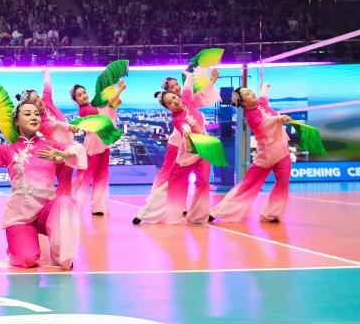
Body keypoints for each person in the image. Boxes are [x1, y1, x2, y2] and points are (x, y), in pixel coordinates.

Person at [0, 101, 86, 269]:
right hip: (20, 217)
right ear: (16, 121)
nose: (34, 117)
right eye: (27, 114)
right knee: (26, 259)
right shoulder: (8, 150)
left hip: (47, 213)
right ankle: (17, 246)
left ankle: (62, 256)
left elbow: (78, 149)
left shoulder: (52, 147)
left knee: (64, 202)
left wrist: (65, 155)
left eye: (36, 114)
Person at [133, 68, 219, 224]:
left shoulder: (186, 99)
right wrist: (187, 131)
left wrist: (202, 78)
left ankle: (198, 214)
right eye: (171, 89)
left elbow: (192, 89)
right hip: (181, 145)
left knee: (203, 180)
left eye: (176, 86)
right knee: (169, 176)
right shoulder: (177, 115)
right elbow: (182, 124)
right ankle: (152, 205)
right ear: (167, 105)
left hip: (202, 145)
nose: (175, 90)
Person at [211, 82, 291, 223]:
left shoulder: (260, 104)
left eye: (250, 91)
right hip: (266, 156)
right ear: (243, 103)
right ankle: (218, 211)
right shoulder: (251, 117)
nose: (251, 93)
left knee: (283, 183)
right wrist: (279, 118)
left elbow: (264, 96)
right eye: (247, 94)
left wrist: (264, 87)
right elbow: (266, 123)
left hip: (282, 151)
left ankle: (271, 214)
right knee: (247, 185)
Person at [70, 81, 125, 216]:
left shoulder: (91, 105)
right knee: (84, 177)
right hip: (93, 145)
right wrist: (120, 89)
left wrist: (116, 101)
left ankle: (98, 207)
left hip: (103, 142)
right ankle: (71, 205)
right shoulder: (85, 110)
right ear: (75, 100)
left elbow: (109, 106)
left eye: (84, 92)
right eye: (79, 95)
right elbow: (106, 108)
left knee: (101, 175)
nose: (83, 96)